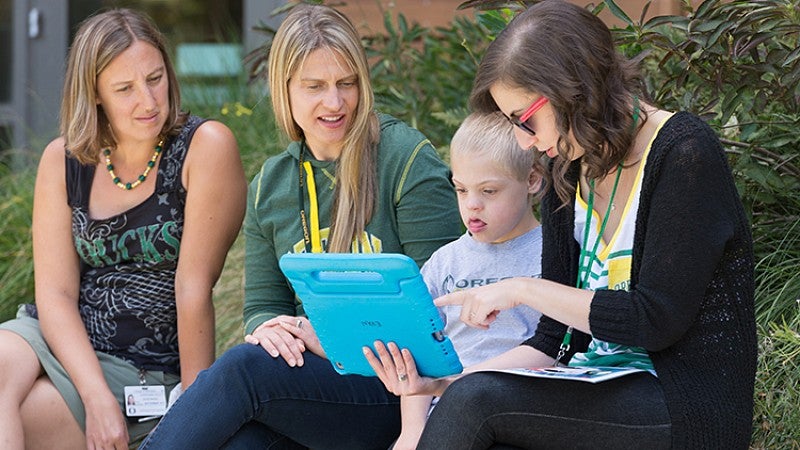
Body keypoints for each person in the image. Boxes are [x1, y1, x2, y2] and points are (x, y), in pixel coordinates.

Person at [365, 1, 757, 449]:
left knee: (479, 402)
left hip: (681, 404)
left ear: (573, 91)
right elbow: (551, 342)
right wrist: (445, 383)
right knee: (471, 398)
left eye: (523, 120)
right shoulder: (566, 167)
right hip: (593, 383)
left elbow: (655, 321)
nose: (522, 140)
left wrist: (520, 288)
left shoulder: (684, 153)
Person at [138, 4, 461, 449]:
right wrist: (273, 329)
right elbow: (263, 305)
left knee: (244, 369)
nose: (335, 102)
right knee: (242, 442)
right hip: (319, 391)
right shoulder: (271, 186)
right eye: (315, 87)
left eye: (346, 83)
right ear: (284, 91)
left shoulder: (405, 161)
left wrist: (323, 339)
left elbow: (445, 308)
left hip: (403, 392)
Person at [0, 8, 247, 450]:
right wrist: (95, 398)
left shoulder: (203, 149)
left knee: (29, 414)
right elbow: (54, 294)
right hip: (63, 338)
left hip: (142, 368)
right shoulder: (64, 160)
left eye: (155, 79)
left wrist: (195, 421)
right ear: (94, 94)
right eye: (125, 89)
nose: (149, 101)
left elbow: (193, 289)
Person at [393, 111, 544, 450]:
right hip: (444, 415)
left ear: (532, 180)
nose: (472, 205)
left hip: (521, 410)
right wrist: (411, 430)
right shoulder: (444, 263)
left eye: (488, 191)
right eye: (461, 190)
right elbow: (419, 352)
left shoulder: (556, 253)